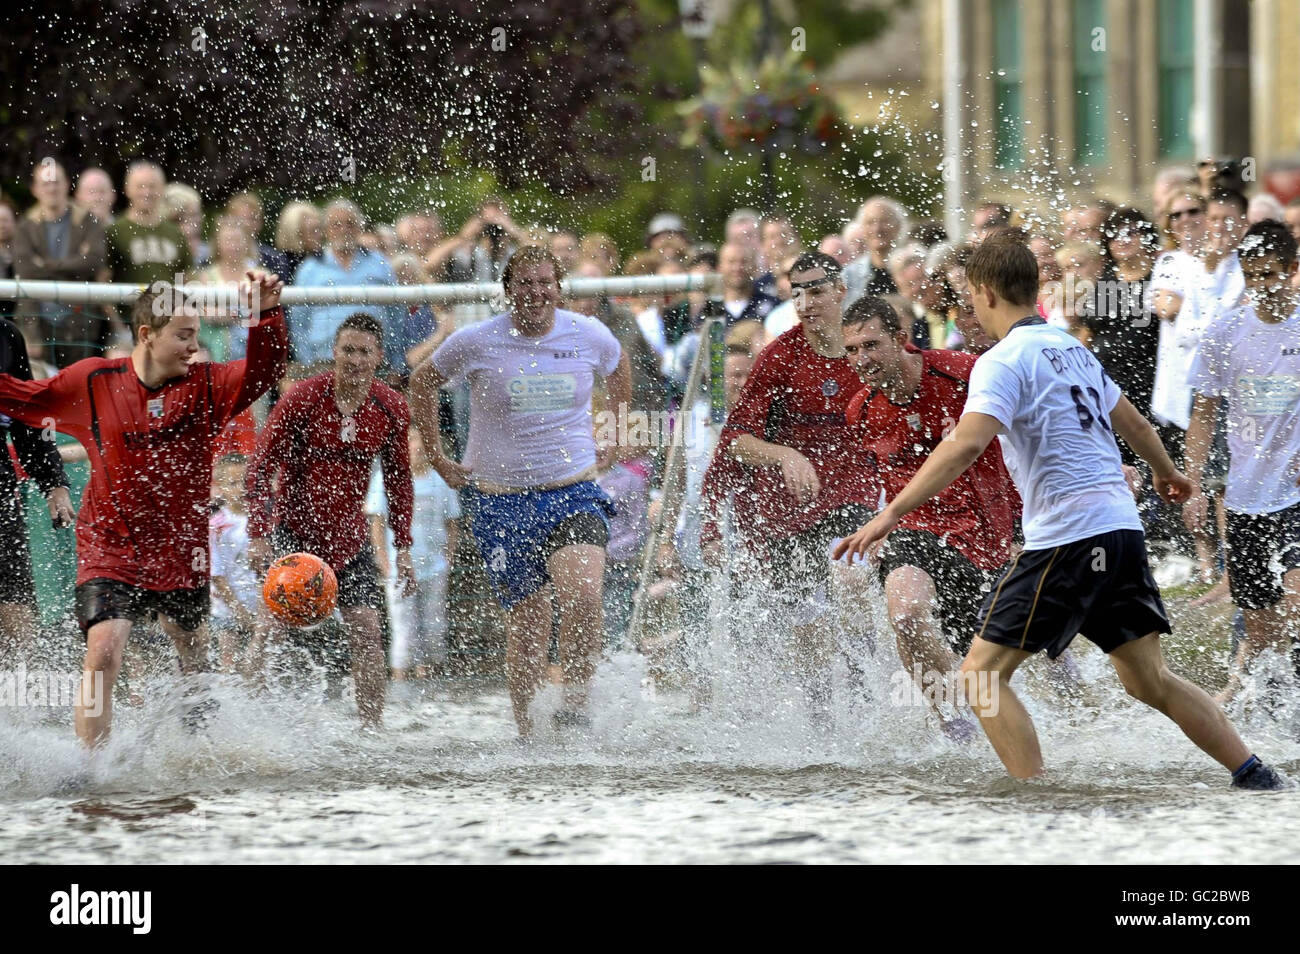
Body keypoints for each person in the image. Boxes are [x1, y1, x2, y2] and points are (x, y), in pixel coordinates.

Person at [835, 235, 1286, 790]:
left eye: (968, 296)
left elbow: (964, 446)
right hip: (1121, 531)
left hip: (1068, 539)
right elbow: (1136, 426)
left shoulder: (1001, 361)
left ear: (985, 292)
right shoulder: (1072, 347)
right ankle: (1256, 773)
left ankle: (1036, 801)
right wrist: (1168, 474)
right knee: (1150, 681)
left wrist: (886, 517)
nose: (968, 308)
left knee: (980, 675)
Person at [0, 270, 287, 747]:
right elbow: (22, 396)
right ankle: (92, 768)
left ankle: (197, 745)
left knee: (192, 651)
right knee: (103, 654)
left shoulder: (208, 385)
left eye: (195, 335)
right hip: (110, 544)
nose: (194, 347)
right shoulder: (92, 381)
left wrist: (265, 315)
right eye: (183, 335)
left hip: (181, 548)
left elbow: (266, 369)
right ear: (147, 334)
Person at [408, 246, 632, 736]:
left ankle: (574, 708)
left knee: (584, 596)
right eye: (524, 284)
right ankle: (528, 731)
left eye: (544, 282)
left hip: (572, 490)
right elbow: (422, 383)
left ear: (559, 287)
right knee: (529, 625)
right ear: (507, 291)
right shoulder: (475, 341)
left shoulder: (588, 332)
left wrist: (616, 430)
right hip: (499, 499)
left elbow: (618, 372)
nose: (535, 293)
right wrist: (439, 454)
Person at [699, 251, 880, 720]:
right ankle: (820, 721)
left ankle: (864, 699)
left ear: (841, 292)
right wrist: (785, 454)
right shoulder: (779, 357)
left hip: (853, 497)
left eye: (816, 291)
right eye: (796, 293)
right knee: (807, 621)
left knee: (850, 576)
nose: (805, 303)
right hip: (787, 512)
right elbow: (735, 440)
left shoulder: (867, 349)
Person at [839, 296, 1019, 738]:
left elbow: (1027, 434)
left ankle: (1015, 718)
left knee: (990, 662)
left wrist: (1022, 526)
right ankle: (956, 724)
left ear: (901, 340)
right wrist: (878, 524)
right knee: (905, 614)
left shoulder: (962, 373)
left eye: (871, 345)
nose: (862, 359)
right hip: (915, 530)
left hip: (985, 533)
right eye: (852, 350)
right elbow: (874, 478)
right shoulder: (860, 410)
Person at [245, 312, 416, 726]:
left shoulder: (390, 407)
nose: (355, 359)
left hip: (349, 540)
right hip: (294, 533)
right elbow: (259, 465)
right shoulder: (304, 398)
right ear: (333, 352)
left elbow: (399, 482)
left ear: (378, 357)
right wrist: (258, 533)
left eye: (364, 352)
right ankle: (245, 720)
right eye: (347, 350)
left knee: (367, 628)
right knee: (270, 629)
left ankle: (372, 730)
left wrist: (404, 547)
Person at [1183, 221, 1300, 705]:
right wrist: (1191, 484)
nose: (1260, 287)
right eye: (1251, 276)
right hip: (1247, 500)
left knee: (1296, 604)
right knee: (1264, 631)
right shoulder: (1225, 332)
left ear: (1293, 270)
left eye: (1270, 274)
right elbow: (1203, 416)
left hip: (1296, 497)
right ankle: (1270, 717)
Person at [366, 427, 460, 681]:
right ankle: (400, 685)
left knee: (433, 627)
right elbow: (377, 524)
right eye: (410, 441)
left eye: (421, 441)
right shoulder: (385, 478)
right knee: (404, 631)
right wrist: (384, 564)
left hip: (435, 566)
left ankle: (429, 686)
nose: (416, 447)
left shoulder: (441, 480)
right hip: (398, 568)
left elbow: (452, 523)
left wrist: (447, 560)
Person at [11, 159, 110, 368]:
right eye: (45, 183)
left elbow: (93, 262)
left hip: (81, 322)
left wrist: (45, 265)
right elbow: (25, 269)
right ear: (35, 189)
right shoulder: (25, 226)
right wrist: (72, 265)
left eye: (56, 181)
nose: (52, 187)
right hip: (37, 323)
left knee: (79, 387)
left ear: (67, 184)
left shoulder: (88, 221)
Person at [290, 199, 405, 373]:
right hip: (324, 361)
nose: (344, 230)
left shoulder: (379, 263)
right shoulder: (310, 268)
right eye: (336, 224)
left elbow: (396, 314)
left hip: (372, 361)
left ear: (360, 228)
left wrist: (396, 363)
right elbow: (299, 321)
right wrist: (307, 364)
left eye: (350, 224)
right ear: (326, 230)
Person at [209, 453, 259, 674]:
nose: (241, 488)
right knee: (227, 668)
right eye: (233, 483)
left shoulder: (261, 520)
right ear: (221, 487)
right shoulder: (217, 525)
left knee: (257, 667)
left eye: (246, 481)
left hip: (259, 607)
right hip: (227, 609)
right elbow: (216, 574)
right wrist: (239, 611)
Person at [106, 162, 192, 287]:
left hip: (171, 306)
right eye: (140, 186)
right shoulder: (114, 231)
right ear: (127, 189)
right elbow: (105, 278)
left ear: (162, 189)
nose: (147, 192)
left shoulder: (176, 233)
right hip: (129, 306)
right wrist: (110, 307)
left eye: (152, 186)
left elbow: (185, 279)